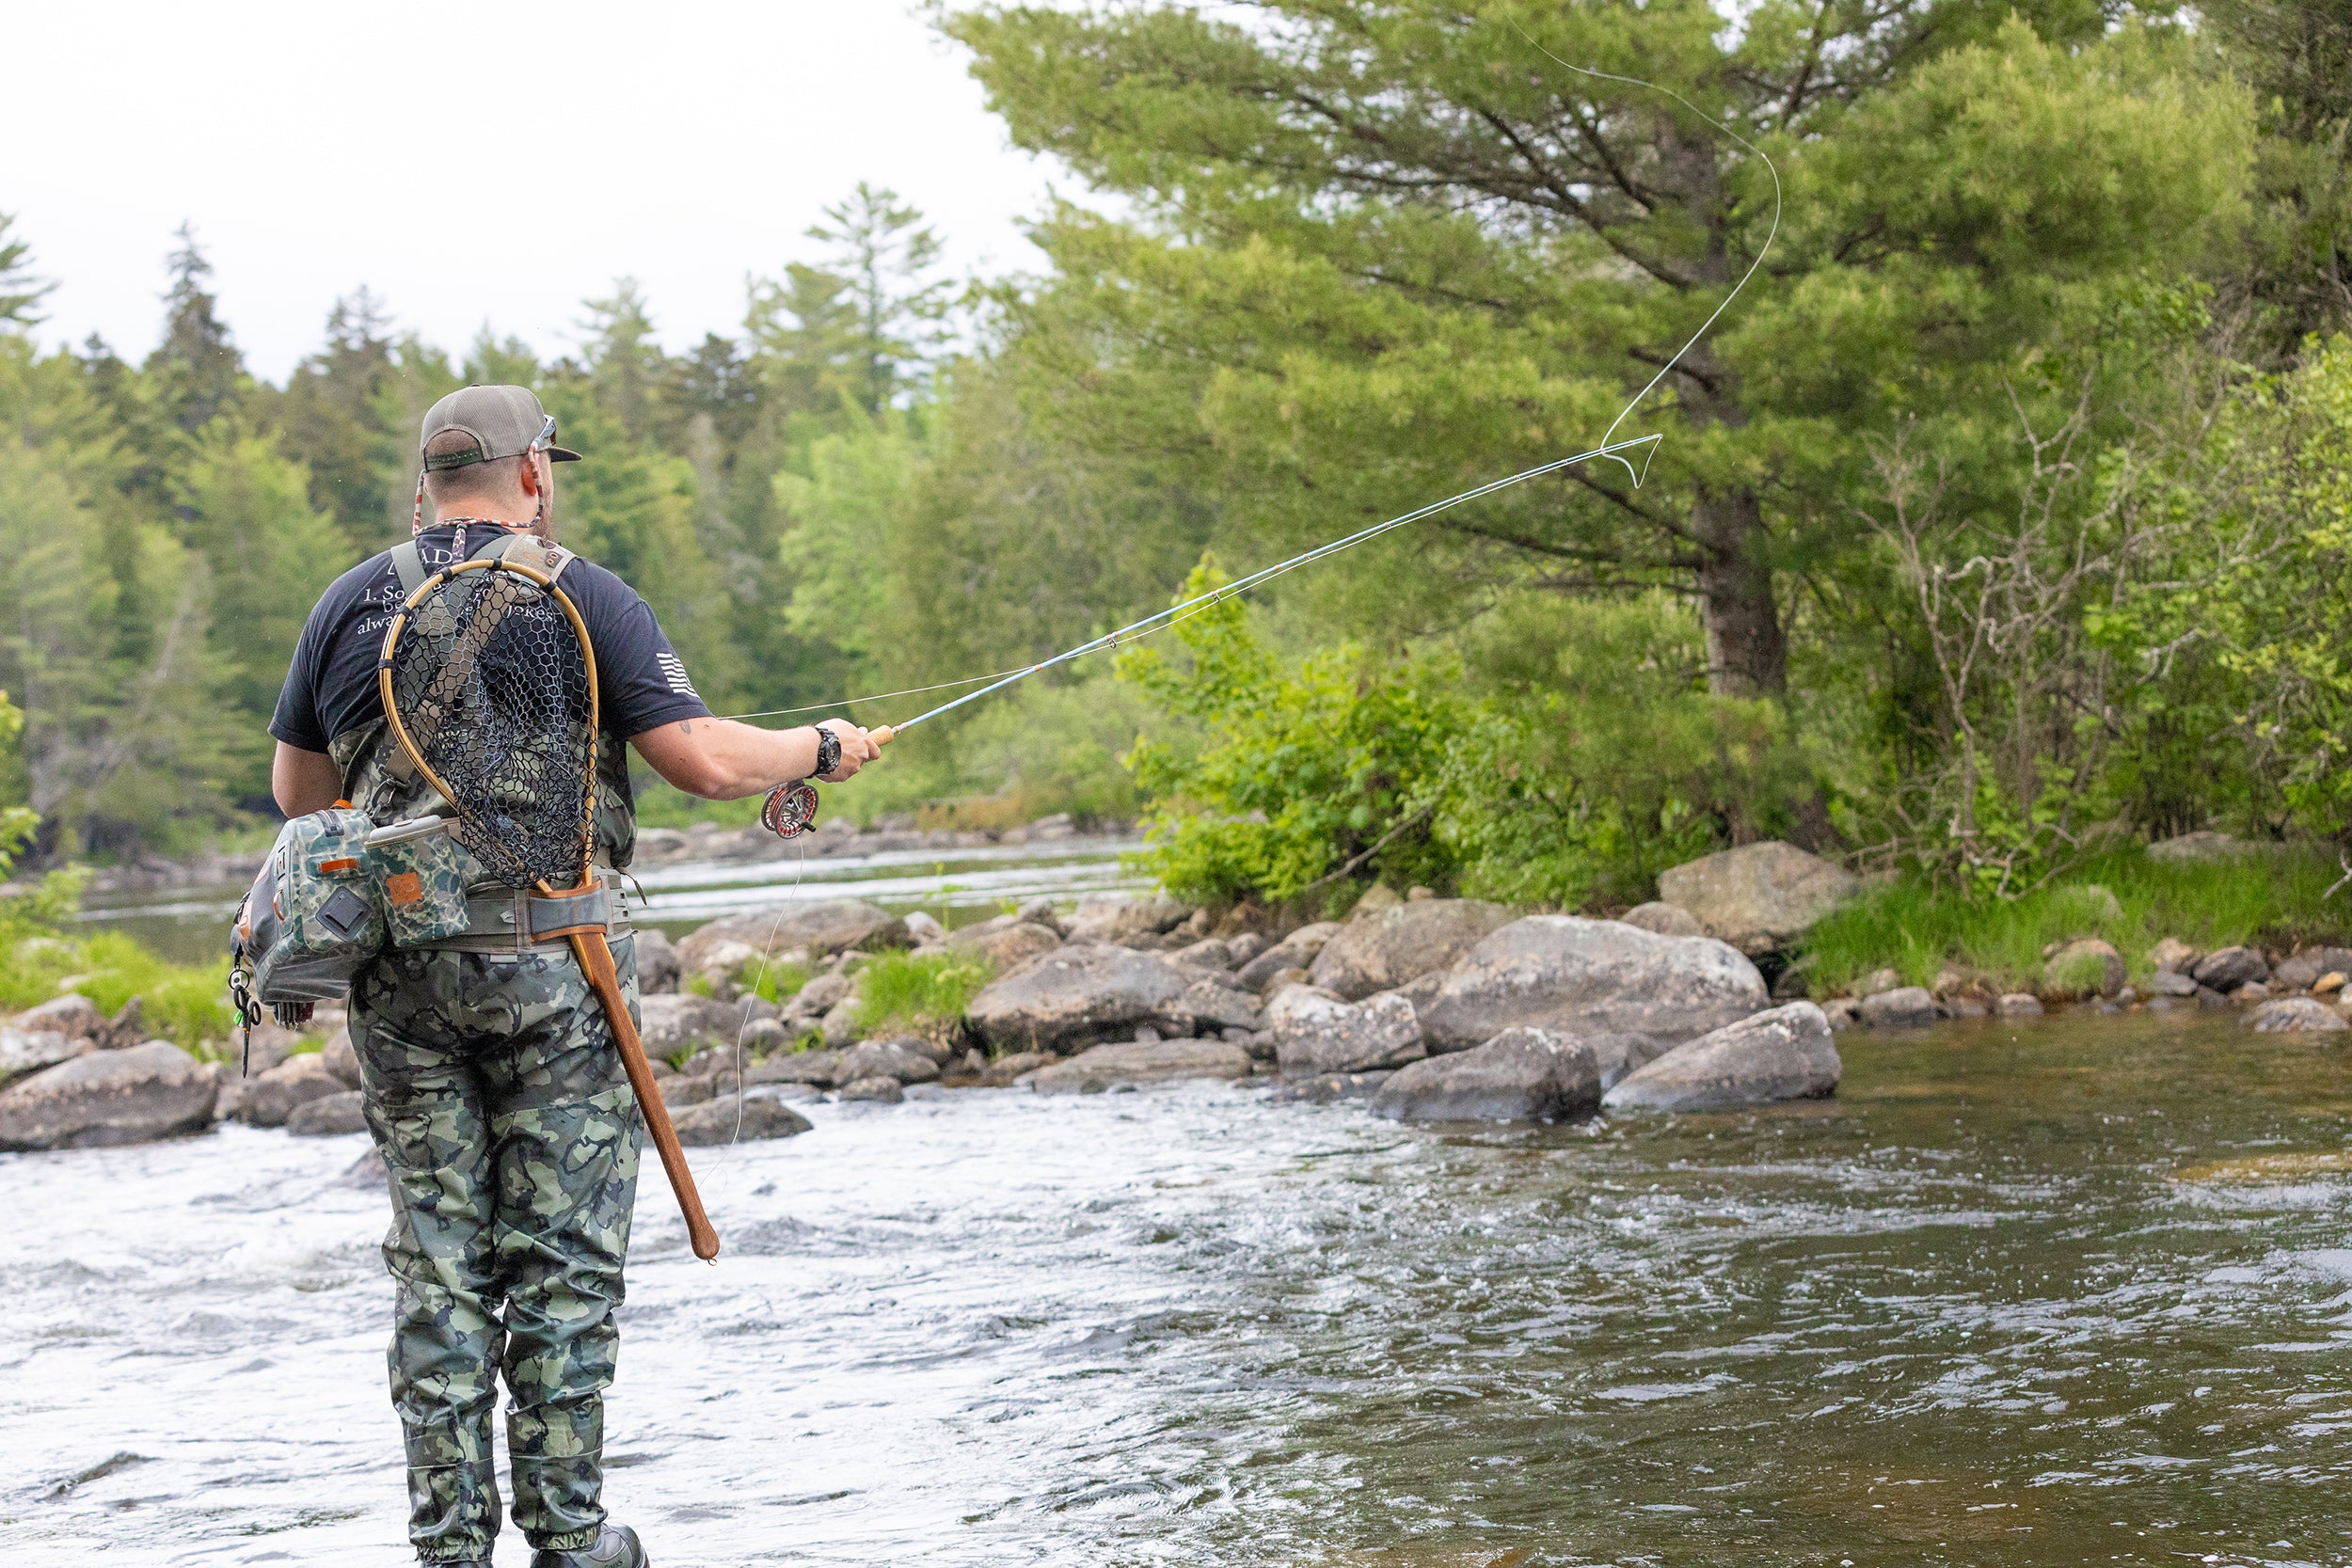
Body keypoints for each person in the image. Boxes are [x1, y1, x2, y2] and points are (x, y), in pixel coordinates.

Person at [268, 384, 879, 1568]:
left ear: (434, 477)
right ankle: (573, 1538)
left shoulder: (345, 602)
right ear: (533, 472)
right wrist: (818, 748)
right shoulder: (583, 591)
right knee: (563, 1262)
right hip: (561, 975)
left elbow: (300, 801)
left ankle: (448, 1548)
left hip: (398, 983)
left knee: (438, 1263)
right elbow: (700, 760)